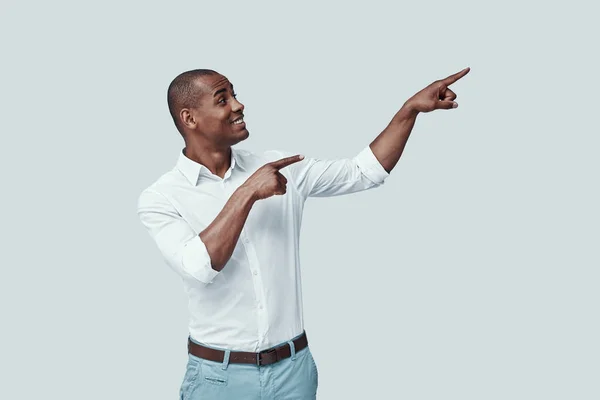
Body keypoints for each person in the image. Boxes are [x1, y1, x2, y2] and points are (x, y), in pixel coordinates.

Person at [137, 67, 470, 399]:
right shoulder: (162, 198)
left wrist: (408, 110)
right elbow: (199, 267)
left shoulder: (281, 167)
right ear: (189, 118)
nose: (238, 106)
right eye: (223, 100)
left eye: (235, 95)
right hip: (218, 380)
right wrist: (248, 192)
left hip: (292, 375)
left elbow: (363, 172)